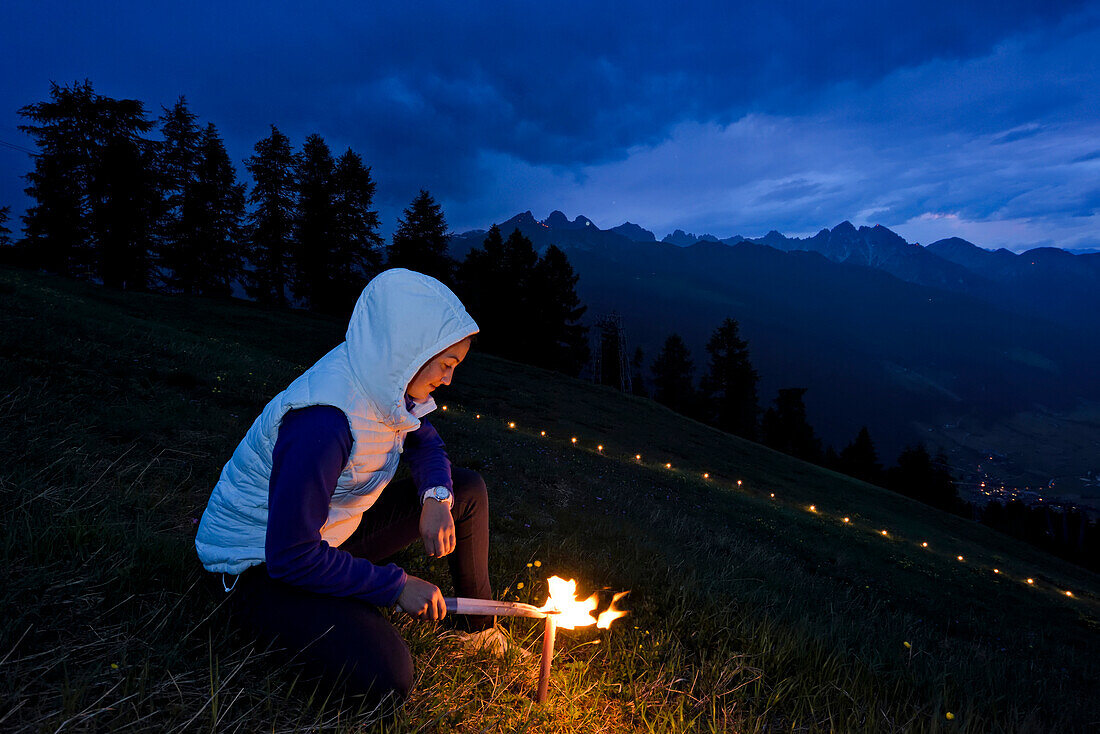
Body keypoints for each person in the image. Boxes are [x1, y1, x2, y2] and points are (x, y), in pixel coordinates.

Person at [195, 268, 501, 706]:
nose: (449, 380)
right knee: (385, 674)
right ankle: (327, 613)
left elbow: (425, 440)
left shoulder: (385, 384)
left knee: (464, 489)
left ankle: (479, 630)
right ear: (411, 351)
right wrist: (394, 586)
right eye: (447, 365)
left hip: (324, 537)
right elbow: (291, 556)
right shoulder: (323, 421)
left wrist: (436, 497)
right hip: (258, 565)